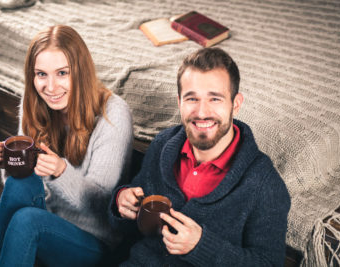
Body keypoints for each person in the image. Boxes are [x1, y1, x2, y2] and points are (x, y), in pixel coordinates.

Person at [108, 47, 291, 266]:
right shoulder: (162, 145)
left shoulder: (265, 185)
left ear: (236, 104)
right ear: (179, 102)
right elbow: (131, 225)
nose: (202, 112)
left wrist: (201, 247)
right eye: (192, 99)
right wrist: (121, 202)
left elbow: (269, 263)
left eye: (215, 99)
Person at [0, 25, 133, 267]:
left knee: (27, 221)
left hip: (93, 239)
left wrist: (61, 172)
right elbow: (23, 190)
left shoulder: (113, 114)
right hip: (49, 217)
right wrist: (10, 162)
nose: (51, 87)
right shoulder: (34, 100)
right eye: (41, 74)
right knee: (18, 183)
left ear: (81, 72)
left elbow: (101, 206)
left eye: (62, 73)